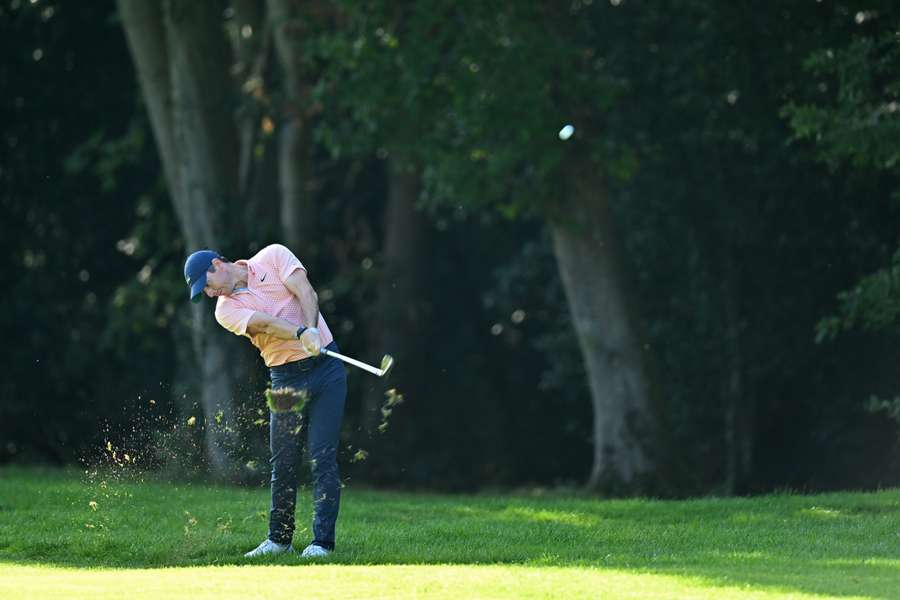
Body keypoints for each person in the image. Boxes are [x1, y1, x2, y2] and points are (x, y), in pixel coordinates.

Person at [183, 243, 347, 559]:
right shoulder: (225, 311)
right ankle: (279, 540)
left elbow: (306, 293)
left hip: (327, 371)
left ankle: (322, 543)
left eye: (207, 285)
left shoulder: (273, 256)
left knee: (322, 456)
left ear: (218, 265)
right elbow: (266, 325)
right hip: (285, 379)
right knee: (283, 461)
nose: (209, 293)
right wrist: (301, 334)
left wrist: (312, 329)